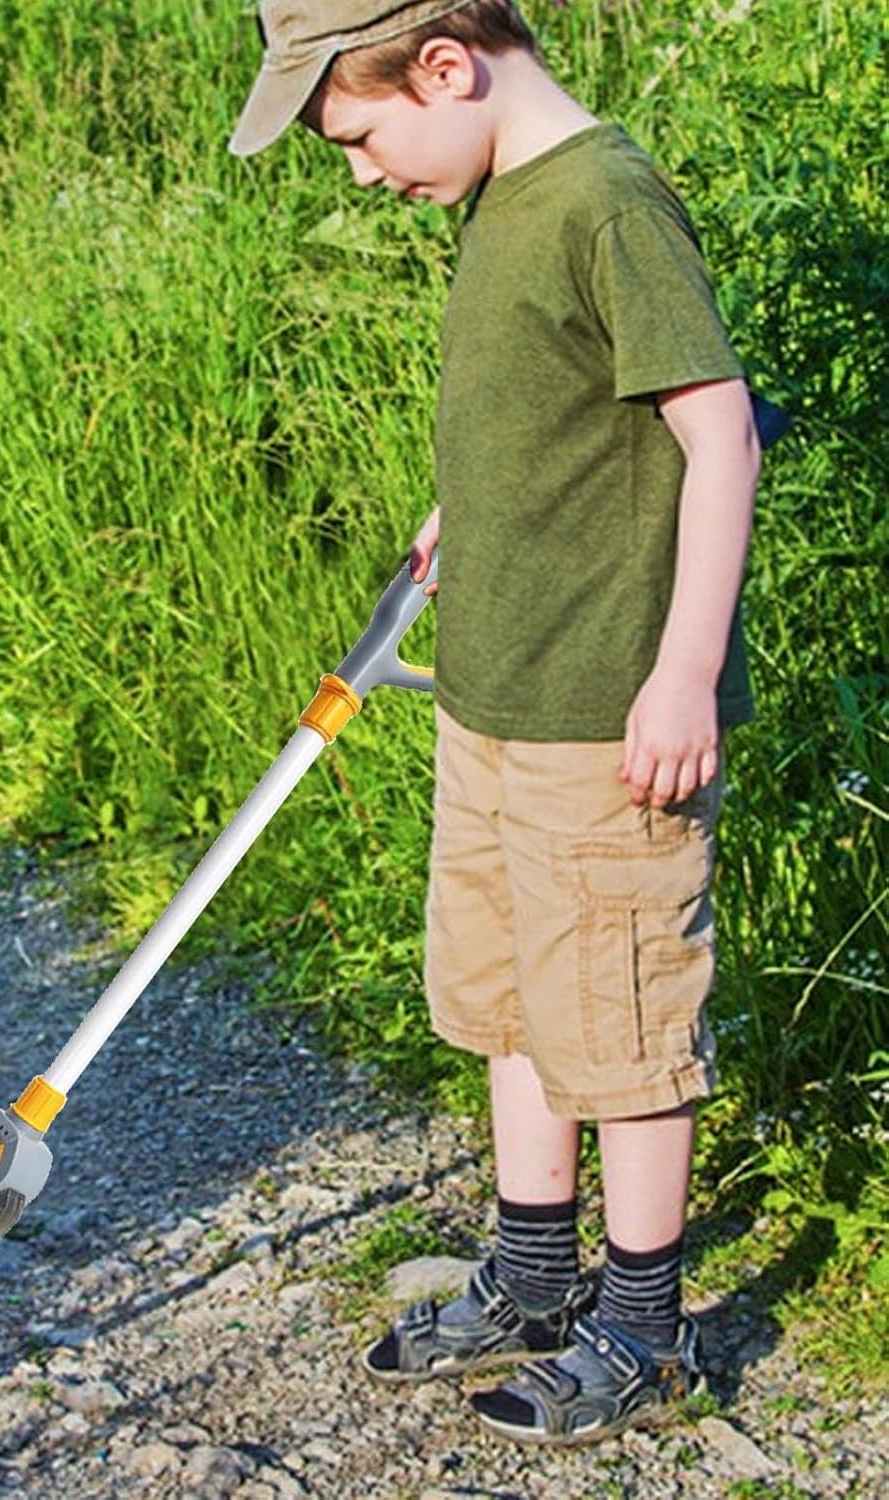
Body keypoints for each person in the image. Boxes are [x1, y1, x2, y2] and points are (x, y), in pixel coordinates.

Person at [230, 1, 762, 1444]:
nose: (363, 172)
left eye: (361, 136)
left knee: (622, 1020)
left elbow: (719, 435)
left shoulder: (607, 202)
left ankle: (645, 1331)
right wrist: (467, 506)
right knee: (518, 995)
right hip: (496, 693)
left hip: (607, 712)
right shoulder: (499, 195)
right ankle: (533, 1279)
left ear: (446, 67)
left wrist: (682, 673)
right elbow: (561, 410)